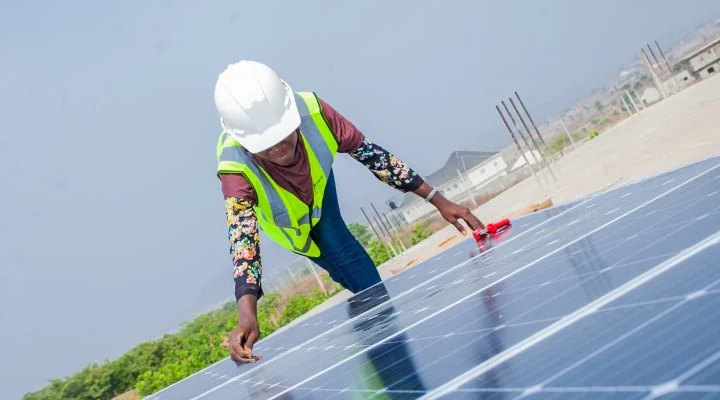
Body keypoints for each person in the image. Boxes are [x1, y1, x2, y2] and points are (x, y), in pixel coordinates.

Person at [212, 60, 485, 364]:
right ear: (245, 143)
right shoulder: (234, 169)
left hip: (319, 191)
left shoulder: (313, 111)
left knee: (354, 263)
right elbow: (243, 242)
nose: (279, 148)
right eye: (266, 145)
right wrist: (247, 315)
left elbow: (373, 157)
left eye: (283, 134)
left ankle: (392, 360)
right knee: (351, 276)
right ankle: (372, 335)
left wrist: (438, 199)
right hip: (291, 224)